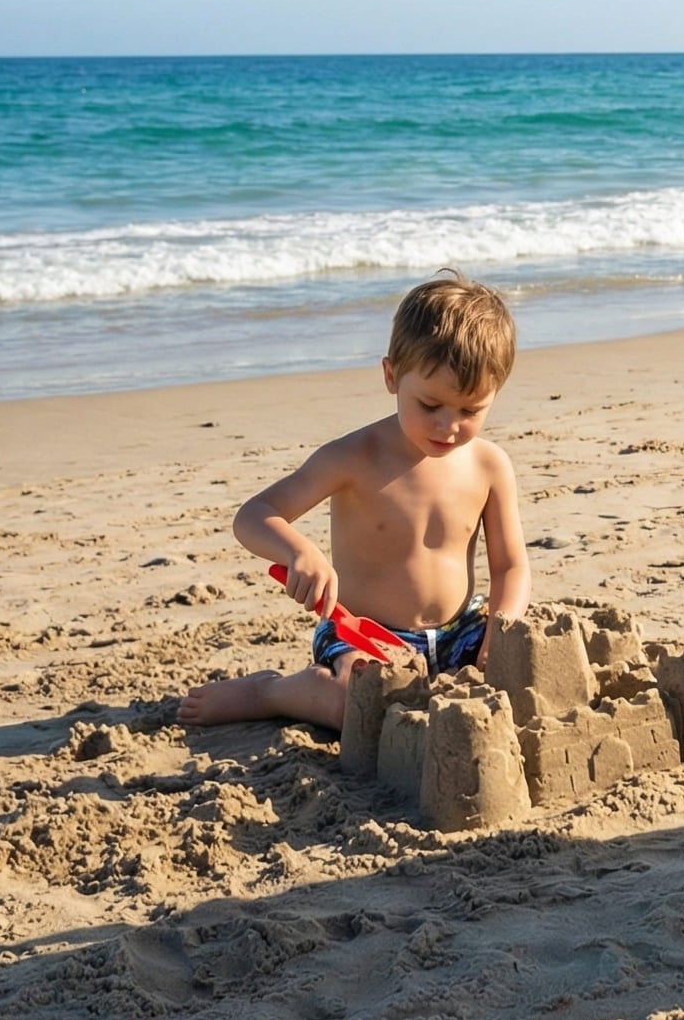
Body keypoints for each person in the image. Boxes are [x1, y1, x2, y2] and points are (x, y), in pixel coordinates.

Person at [179, 273, 529, 729]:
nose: (448, 426)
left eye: (469, 411)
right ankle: (272, 692)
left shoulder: (489, 465)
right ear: (391, 377)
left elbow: (510, 566)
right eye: (429, 406)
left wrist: (500, 633)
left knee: (529, 673)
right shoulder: (352, 458)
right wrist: (298, 551)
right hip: (364, 636)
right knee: (357, 707)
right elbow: (254, 516)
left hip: (459, 629)